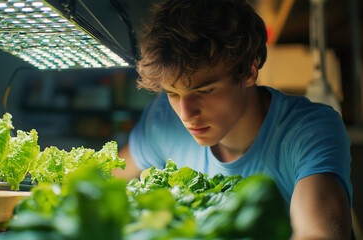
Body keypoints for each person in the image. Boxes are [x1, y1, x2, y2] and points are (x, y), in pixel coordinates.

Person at [112, 0, 353, 239]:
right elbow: (108, 177)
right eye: (173, 93)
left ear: (249, 70)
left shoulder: (307, 130)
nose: (186, 115)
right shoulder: (163, 117)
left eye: (205, 91)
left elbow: (317, 234)